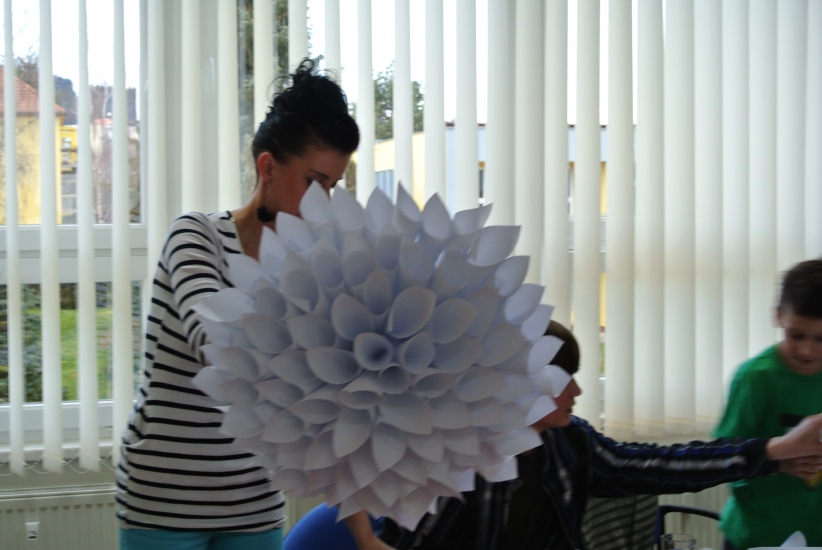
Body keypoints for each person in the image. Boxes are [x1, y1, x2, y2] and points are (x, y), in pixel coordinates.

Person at [116, 58, 389, 550]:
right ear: (268, 166)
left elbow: (335, 418)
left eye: (332, 187)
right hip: (164, 501)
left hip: (254, 504)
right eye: (314, 182)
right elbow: (215, 344)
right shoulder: (196, 236)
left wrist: (364, 537)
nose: (324, 202)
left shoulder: (315, 269)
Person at [378, 320, 822, 550]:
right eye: (563, 379)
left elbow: (660, 465)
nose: (577, 392)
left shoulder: (569, 443)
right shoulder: (455, 457)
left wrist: (772, 450)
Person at [713, 258, 822, 550]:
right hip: (756, 536)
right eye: (796, 335)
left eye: (821, 339)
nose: (807, 350)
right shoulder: (755, 378)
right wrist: (779, 461)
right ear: (778, 316)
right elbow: (724, 458)